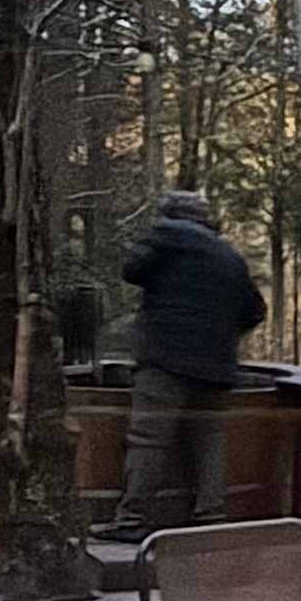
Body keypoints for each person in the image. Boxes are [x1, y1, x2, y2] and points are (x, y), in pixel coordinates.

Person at [107, 187, 263, 538]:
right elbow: (255, 311)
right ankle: (211, 517)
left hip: (164, 360)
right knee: (208, 439)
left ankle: (132, 521)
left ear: (168, 214)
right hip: (216, 366)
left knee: (148, 439)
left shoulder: (163, 239)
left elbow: (130, 271)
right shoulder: (229, 257)